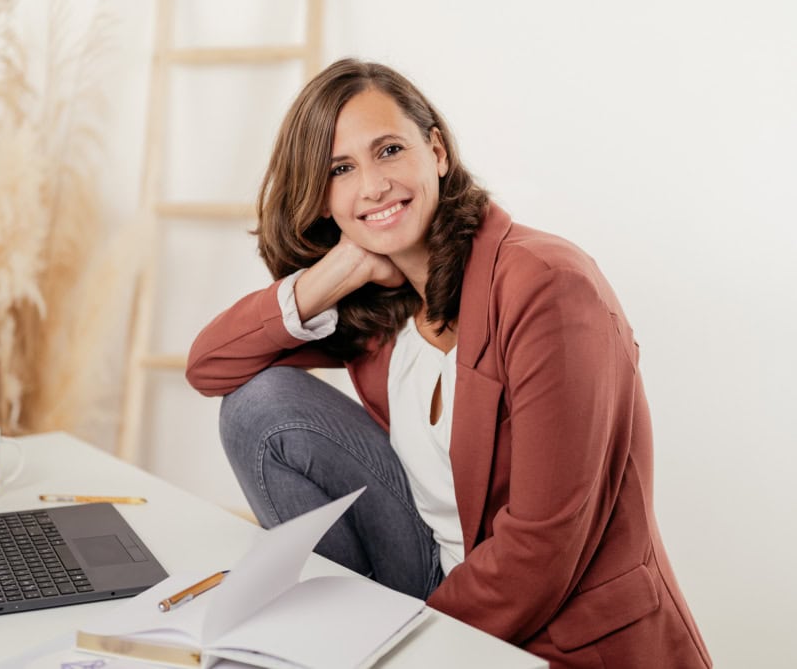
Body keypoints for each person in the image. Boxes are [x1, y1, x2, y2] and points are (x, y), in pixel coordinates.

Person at [186, 58, 711, 669]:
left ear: (436, 150)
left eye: (388, 150)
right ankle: (333, 633)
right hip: (434, 576)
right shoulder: (379, 308)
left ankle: (349, 645)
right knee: (259, 404)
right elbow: (211, 367)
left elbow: (540, 548)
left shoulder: (547, 287)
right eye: (341, 169)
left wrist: (396, 649)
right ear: (323, 197)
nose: (374, 186)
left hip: (556, 629)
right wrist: (334, 274)